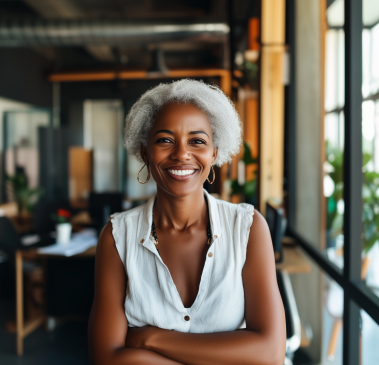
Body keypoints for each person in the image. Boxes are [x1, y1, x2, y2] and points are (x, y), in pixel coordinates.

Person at [88, 79, 286, 365]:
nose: (181, 154)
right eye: (165, 140)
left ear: (214, 153)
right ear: (145, 152)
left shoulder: (248, 228)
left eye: (197, 141)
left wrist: (149, 339)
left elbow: (270, 355)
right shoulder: (117, 237)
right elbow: (107, 359)